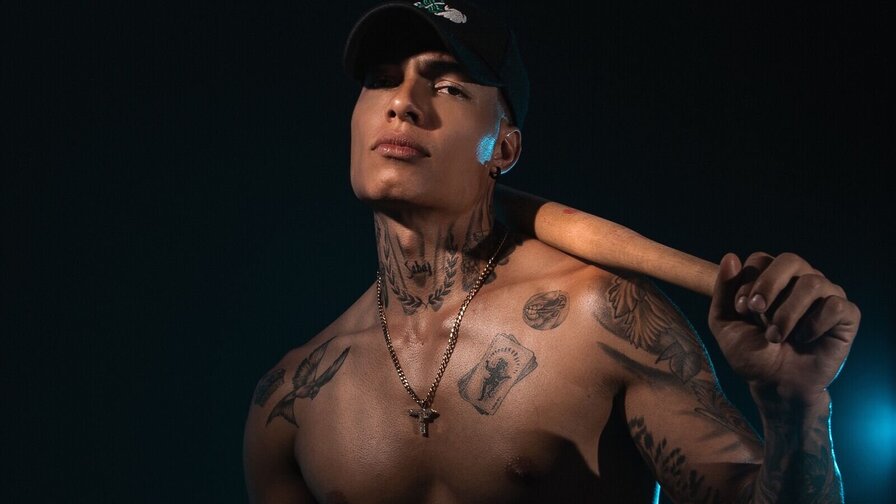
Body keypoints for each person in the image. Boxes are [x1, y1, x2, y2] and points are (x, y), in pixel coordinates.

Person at [242, 1, 860, 502]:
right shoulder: (292, 398)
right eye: (381, 80)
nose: (402, 102)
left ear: (504, 149)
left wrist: (795, 408)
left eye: (449, 86)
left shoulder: (601, 317)